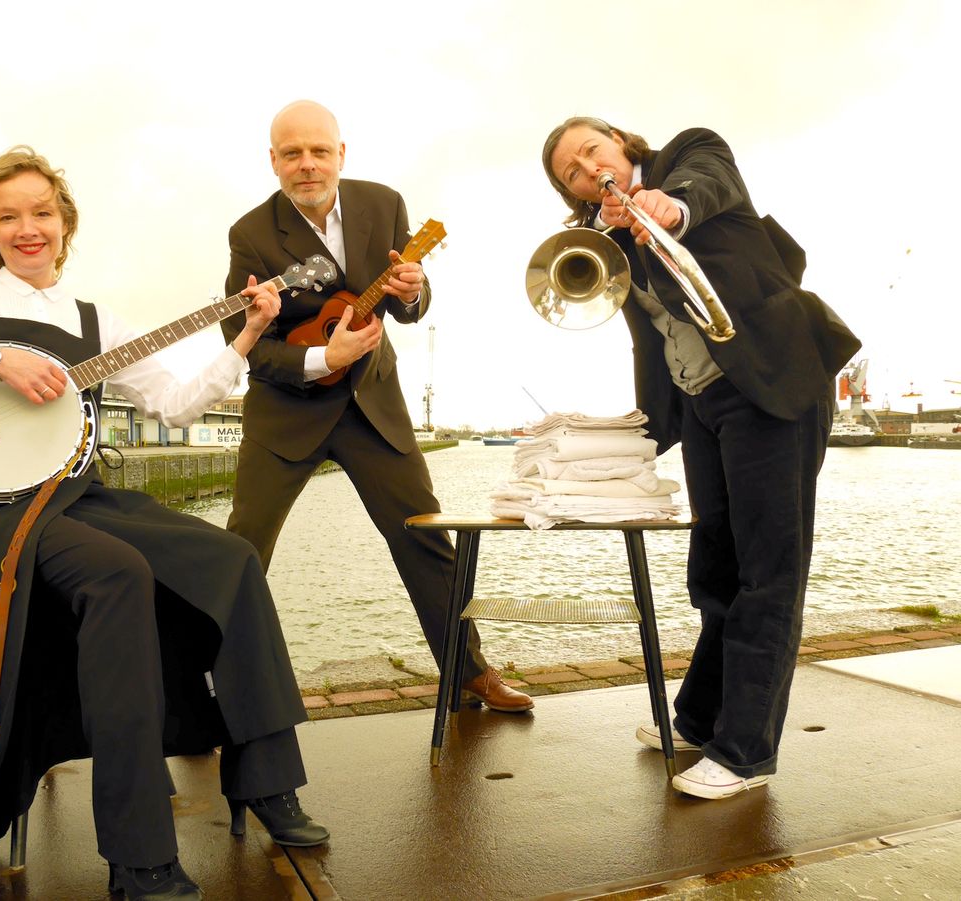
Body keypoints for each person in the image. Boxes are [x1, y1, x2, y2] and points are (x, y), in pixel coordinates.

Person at [0, 146, 327, 901]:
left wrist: (243, 337)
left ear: (64, 222)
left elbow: (171, 403)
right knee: (119, 572)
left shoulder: (93, 320)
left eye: (40, 212)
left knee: (232, 557)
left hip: (79, 497)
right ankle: (139, 857)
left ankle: (267, 781)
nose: (26, 227)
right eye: (7, 216)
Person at [541, 118, 861, 799]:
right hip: (705, 400)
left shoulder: (691, 154)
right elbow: (649, 343)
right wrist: (633, 436)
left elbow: (706, 186)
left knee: (769, 573)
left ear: (621, 144)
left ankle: (744, 753)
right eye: (570, 170)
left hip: (771, 379)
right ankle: (698, 719)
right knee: (716, 568)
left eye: (591, 149)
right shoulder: (607, 245)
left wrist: (667, 206)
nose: (586, 167)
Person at [220, 100, 532, 713]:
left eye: (318, 151)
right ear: (274, 162)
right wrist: (321, 360)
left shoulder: (384, 206)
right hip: (286, 412)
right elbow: (248, 348)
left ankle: (468, 673)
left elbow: (409, 302)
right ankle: (205, 693)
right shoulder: (250, 235)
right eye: (291, 154)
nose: (306, 165)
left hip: (372, 408)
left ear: (341, 154)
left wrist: (415, 292)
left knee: (426, 540)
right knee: (241, 553)